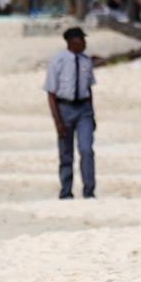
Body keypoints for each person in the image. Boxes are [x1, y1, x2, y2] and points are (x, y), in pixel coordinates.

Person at [44, 27, 96, 199]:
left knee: (86, 149)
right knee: (66, 153)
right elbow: (51, 93)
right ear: (72, 42)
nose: (85, 43)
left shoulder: (86, 61)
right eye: (82, 40)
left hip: (84, 110)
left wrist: (92, 114)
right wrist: (57, 121)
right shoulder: (57, 61)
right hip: (64, 108)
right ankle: (66, 190)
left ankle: (89, 190)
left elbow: (88, 88)